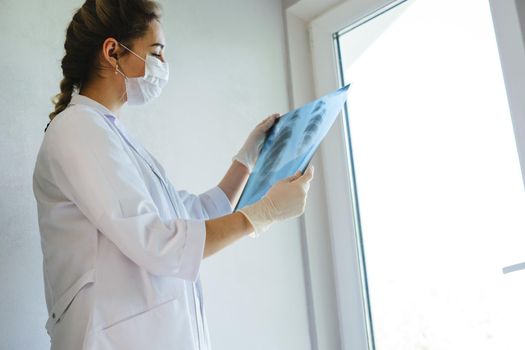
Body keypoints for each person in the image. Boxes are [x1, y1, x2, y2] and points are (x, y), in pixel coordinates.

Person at [31, 0, 315, 349]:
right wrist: (262, 214)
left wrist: (247, 159)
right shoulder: (77, 129)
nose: (163, 65)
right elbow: (160, 242)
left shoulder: (112, 136)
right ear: (112, 52)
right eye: (156, 52)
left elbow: (189, 216)